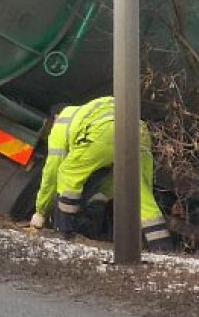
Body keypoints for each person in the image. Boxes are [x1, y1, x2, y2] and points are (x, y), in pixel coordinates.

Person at [30, 96, 173, 252]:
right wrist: (102, 196)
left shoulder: (61, 122)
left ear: (54, 118)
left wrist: (41, 211)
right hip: (140, 132)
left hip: (108, 131)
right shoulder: (89, 111)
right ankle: (162, 248)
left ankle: (63, 232)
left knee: (68, 173)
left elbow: (52, 171)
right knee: (139, 193)